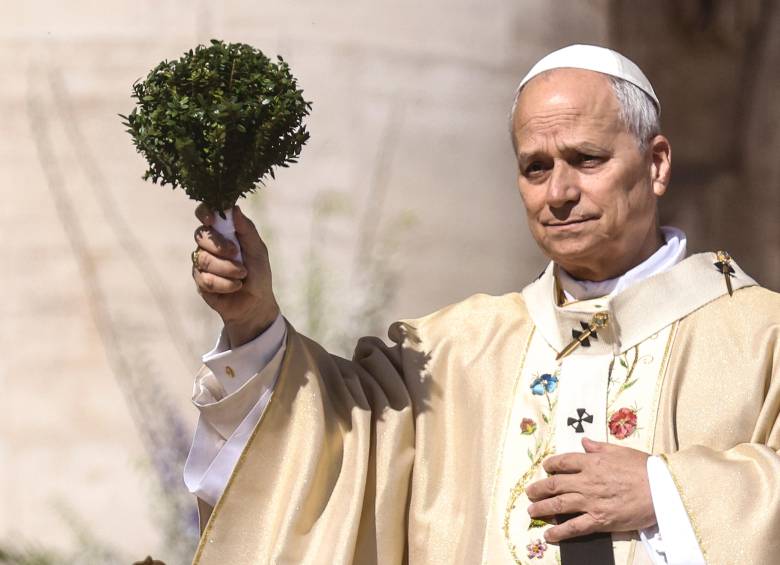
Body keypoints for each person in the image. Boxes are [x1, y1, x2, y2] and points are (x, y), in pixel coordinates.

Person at [183, 45, 780, 565]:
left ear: (656, 165)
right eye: (535, 168)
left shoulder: (761, 334)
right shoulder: (451, 354)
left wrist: (666, 492)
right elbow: (332, 447)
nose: (560, 193)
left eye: (587, 159)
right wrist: (254, 322)